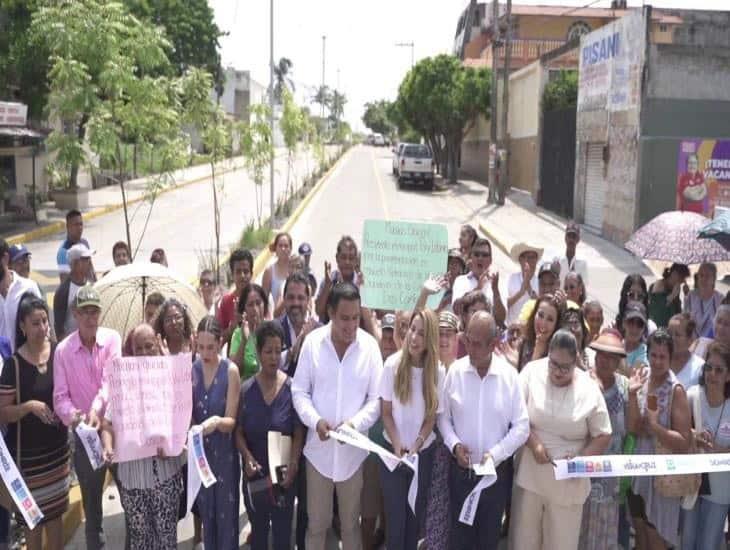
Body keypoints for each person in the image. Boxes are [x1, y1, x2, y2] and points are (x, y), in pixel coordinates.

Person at [292, 282, 382, 549]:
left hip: (353, 458)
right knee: (317, 526)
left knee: (351, 526)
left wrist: (354, 425)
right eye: (345, 318)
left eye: (356, 318)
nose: (351, 326)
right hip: (317, 455)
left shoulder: (369, 348)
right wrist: (315, 421)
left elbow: (376, 401)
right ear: (330, 313)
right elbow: (299, 392)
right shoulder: (312, 343)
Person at [510, 330, 612, 550]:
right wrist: (533, 442)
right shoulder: (531, 371)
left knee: (561, 543)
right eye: (554, 364)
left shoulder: (589, 388)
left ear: (576, 361)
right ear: (548, 355)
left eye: (565, 368)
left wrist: (580, 461)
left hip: (568, 481)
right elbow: (514, 415)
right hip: (531, 475)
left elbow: (603, 434)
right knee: (523, 541)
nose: (557, 372)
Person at [438, 311, 530, 549]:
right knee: (460, 541)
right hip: (461, 475)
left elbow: (522, 426)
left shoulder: (509, 377)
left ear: (493, 344)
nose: (470, 348)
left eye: (477, 344)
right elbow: (443, 419)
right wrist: (455, 445)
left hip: (494, 479)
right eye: (467, 340)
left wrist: (496, 453)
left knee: (488, 541)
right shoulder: (455, 373)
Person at [100, 323, 184, 550]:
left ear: (158, 345)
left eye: (149, 346)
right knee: (140, 542)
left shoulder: (172, 380)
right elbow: (107, 423)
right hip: (132, 480)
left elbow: (184, 421)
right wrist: (108, 446)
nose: (145, 352)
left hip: (165, 477)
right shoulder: (122, 383)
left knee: (166, 541)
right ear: (132, 352)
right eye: (139, 348)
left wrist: (174, 445)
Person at [53, 284, 121, 550]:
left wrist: (96, 407)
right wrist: (76, 416)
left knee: (131, 496)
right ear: (75, 314)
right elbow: (60, 397)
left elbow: (111, 381)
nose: (91, 318)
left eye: (95, 312)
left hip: (116, 430)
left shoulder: (112, 339)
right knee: (92, 511)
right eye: (85, 312)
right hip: (85, 438)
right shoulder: (63, 351)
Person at [0, 294, 69, 550]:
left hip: (57, 457)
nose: (42, 328)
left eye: (45, 321)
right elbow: (3, 412)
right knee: (34, 527)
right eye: (35, 323)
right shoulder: (13, 365)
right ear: (22, 326)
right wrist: (29, 407)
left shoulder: (59, 353)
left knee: (56, 522)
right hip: (30, 463)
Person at [379, 309, 445, 550]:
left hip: (422, 457)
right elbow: (385, 412)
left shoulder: (438, 371)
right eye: (412, 330)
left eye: (422, 333)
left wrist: (416, 445)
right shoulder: (392, 365)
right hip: (392, 455)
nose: (414, 337)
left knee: (414, 522)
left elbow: (431, 418)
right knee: (395, 525)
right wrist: (398, 445)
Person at [236, 321, 304, 550]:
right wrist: (246, 456)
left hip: (283, 474)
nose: (274, 357)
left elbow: (297, 430)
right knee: (260, 535)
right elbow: (238, 433)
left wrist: (293, 463)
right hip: (256, 476)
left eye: (278, 351)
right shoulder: (246, 390)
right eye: (268, 351)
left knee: (283, 536)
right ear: (258, 352)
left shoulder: (291, 389)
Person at [627, 329, 692, 549]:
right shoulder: (642, 380)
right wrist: (632, 395)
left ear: (671, 358)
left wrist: (656, 428)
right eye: (653, 355)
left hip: (662, 480)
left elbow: (684, 441)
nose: (657, 361)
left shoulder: (677, 390)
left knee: (657, 540)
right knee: (641, 537)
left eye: (663, 356)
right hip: (639, 473)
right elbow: (633, 428)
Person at [192, 316, 241, 550]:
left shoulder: (230, 371)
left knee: (226, 517)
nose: (205, 353)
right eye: (200, 347)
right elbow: (188, 411)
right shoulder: (193, 369)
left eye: (210, 347)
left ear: (220, 342)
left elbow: (232, 420)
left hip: (224, 456)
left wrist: (216, 422)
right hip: (201, 456)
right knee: (207, 516)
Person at [579, 329, 630, 550]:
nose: (606, 361)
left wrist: (636, 397)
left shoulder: (626, 386)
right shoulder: (582, 381)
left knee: (605, 533)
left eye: (612, 356)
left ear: (619, 360)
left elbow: (633, 427)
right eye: (602, 354)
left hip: (610, 475)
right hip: (582, 470)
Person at [680, 341, 730, 550]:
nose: (712, 374)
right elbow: (679, 428)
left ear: (728, 376)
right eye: (709, 368)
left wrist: (717, 450)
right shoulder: (692, 395)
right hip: (692, 485)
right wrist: (694, 436)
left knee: (708, 546)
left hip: (720, 492)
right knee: (688, 543)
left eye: (719, 370)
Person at [451, 238, 505, 326]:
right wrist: (478, 289)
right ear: (471, 257)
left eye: (484, 255)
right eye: (476, 254)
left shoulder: (499, 283)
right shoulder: (461, 281)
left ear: (490, 260)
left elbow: (501, 319)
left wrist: (495, 291)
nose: (480, 258)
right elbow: (456, 309)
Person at [0, 239, 41, 352]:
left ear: (5, 259)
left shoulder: (30, 287)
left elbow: (45, 327)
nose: (24, 265)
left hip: (28, 361)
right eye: (19, 262)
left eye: (26, 260)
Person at [277, 272, 319, 377]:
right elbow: (266, 366)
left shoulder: (319, 331)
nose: (295, 303)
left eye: (300, 298)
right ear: (284, 299)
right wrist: (293, 350)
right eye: (291, 297)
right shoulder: (273, 330)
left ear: (308, 300)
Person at [53, 243, 93, 342]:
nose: (89, 262)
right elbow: (59, 328)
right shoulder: (63, 292)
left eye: (89, 259)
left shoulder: (92, 285)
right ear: (75, 264)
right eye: (85, 259)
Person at [315, 235, 360, 322]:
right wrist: (328, 286)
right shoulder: (329, 280)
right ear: (337, 258)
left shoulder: (361, 283)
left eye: (351, 258)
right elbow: (318, 311)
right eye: (343, 257)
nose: (347, 262)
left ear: (356, 260)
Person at [229, 283, 268, 379]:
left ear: (265, 305)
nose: (255, 309)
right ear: (244, 309)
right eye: (250, 305)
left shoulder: (271, 331)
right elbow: (235, 371)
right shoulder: (238, 334)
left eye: (258, 303)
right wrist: (244, 341)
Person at [217, 249, 254, 345]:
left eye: (246, 271)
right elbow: (219, 341)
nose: (242, 276)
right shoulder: (226, 302)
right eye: (238, 272)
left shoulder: (259, 299)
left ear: (251, 274)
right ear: (232, 275)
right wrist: (232, 327)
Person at [517, 293, 562, 370]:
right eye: (540, 315)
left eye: (550, 319)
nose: (543, 323)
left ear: (556, 324)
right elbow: (522, 380)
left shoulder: (559, 352)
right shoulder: (523, 342)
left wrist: (538, 353)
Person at [684, 262, 723, 338]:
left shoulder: (720, 298)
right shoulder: (690, 296)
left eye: (707, 276)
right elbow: (685, 319)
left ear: (714, 279)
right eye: (701, 275)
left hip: (712, 344)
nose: (704, 279)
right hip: (692, 343)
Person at [506, 242, 541, 325]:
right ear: (520, 260)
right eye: (525, 257)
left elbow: (541, 307)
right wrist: (520, 293)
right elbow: (504, 305)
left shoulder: (541, 282)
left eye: (532, 257)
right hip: (511, 327)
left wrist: (528, 286)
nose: (528, 261)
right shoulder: (511, 278)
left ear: (536, 260)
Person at [648, 263, 690, 329]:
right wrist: (672, 295)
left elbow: (678, 311)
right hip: (658, 326)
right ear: (674, 274)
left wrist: (687, 295)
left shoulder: (675, 288)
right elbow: (657, 310)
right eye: (681, 278)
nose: (682, 281)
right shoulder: (659, 285)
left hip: (671, 326)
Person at [668, 313, 703, 389]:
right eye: (669, 333)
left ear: (690, 339)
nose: (672, 338)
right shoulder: (658, 360)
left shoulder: (699, 367)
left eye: (677, 335)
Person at [57, 209, 93, 282]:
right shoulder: (63, 252)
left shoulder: (84, 243)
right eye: (76, 225)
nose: (79, 228)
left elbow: (91, 270)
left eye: (81, 224)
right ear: (68, 227)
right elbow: (64, 281)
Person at [263, 232, 293, 309]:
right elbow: (264, 300)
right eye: (280, 246)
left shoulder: (296, 268)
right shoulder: (269, 272)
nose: (283, 249)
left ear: (290, 249)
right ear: (275, 248)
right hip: (279, 316)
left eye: (286, 246)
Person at [555, 221, 588, 286]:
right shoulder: (557, 260)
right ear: (565, 238)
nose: (571, 240)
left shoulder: (582, 263)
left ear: (578, 239)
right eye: (569, 236)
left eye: (574, 237)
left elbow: (583, 287)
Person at [622, 302, 650, 374]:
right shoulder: (616, 344)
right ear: (624, 323)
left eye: (639, 324)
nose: (635, 329)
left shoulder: (645, 352)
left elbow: (634, 376)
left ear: (644, 328)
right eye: (631, 322)